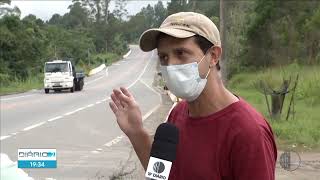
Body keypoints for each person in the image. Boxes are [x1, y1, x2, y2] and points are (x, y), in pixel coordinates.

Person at [109, 12, 277, 180]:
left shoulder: (249, 133)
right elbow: (161, 175)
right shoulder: (177, 114)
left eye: (181, 53)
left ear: (213, 56)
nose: (170, 65)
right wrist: (136, 132)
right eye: (163, 57)